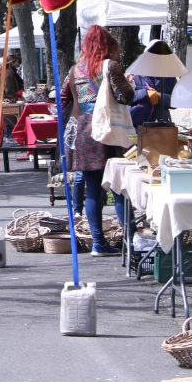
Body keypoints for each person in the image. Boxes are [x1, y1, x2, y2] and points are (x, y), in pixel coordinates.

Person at [61, 25, 134, 256]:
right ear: (107, 46)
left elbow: (63, 98)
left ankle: (98, 242)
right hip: (107, 130)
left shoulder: (74, 70)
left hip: (81, 131)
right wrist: (129, 82)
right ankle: (130, 240)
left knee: (92, 190)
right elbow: (126, 96)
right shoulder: (110, 66)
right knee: (119, 186)